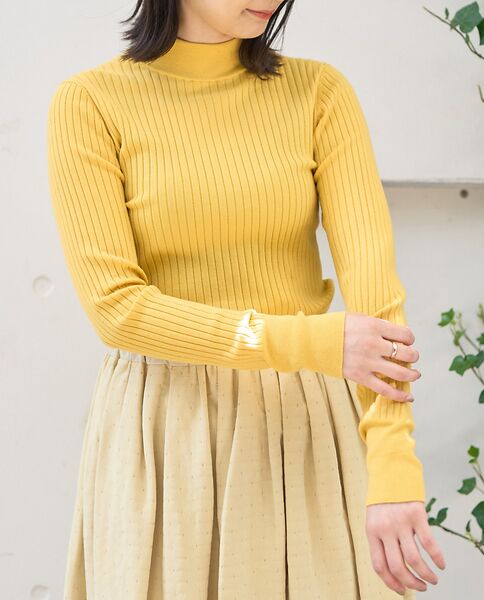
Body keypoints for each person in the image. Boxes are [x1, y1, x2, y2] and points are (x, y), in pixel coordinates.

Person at [46, 0, 446, 598]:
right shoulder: (90, 104)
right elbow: (118, 310)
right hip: (168, 430)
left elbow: (377, 304)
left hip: (308, 428)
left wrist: (393, 466)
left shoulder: (319, 93)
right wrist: (311, 339)